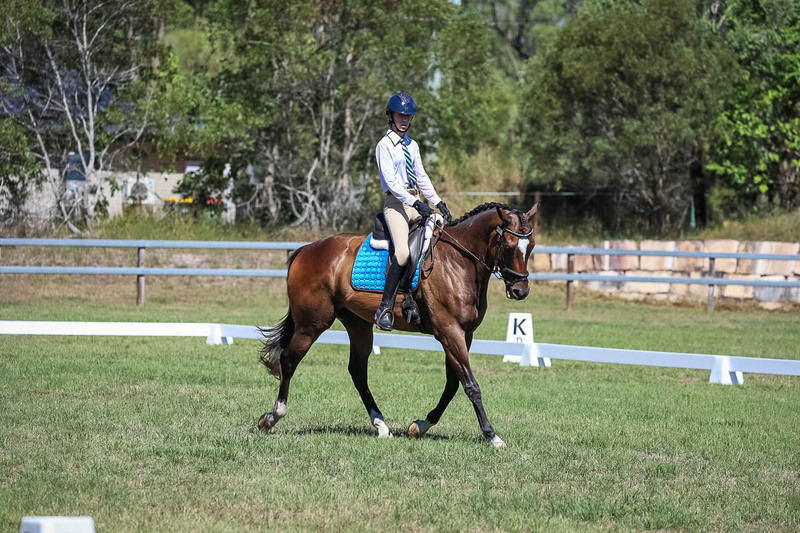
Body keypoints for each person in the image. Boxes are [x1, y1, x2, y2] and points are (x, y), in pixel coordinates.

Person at [374, 92, 452, 331]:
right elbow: (392, 183)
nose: (404, 120)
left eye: (408, 116)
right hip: (396, 204)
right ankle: (384, 308)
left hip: (415, 202)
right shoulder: (384, 146)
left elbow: (421, 176)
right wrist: (414, 202)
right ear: (391, 116)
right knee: (402, 252)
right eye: (400, 115)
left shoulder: (412, 145)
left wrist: (438, 202)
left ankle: (418, 297)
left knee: (438, 238)